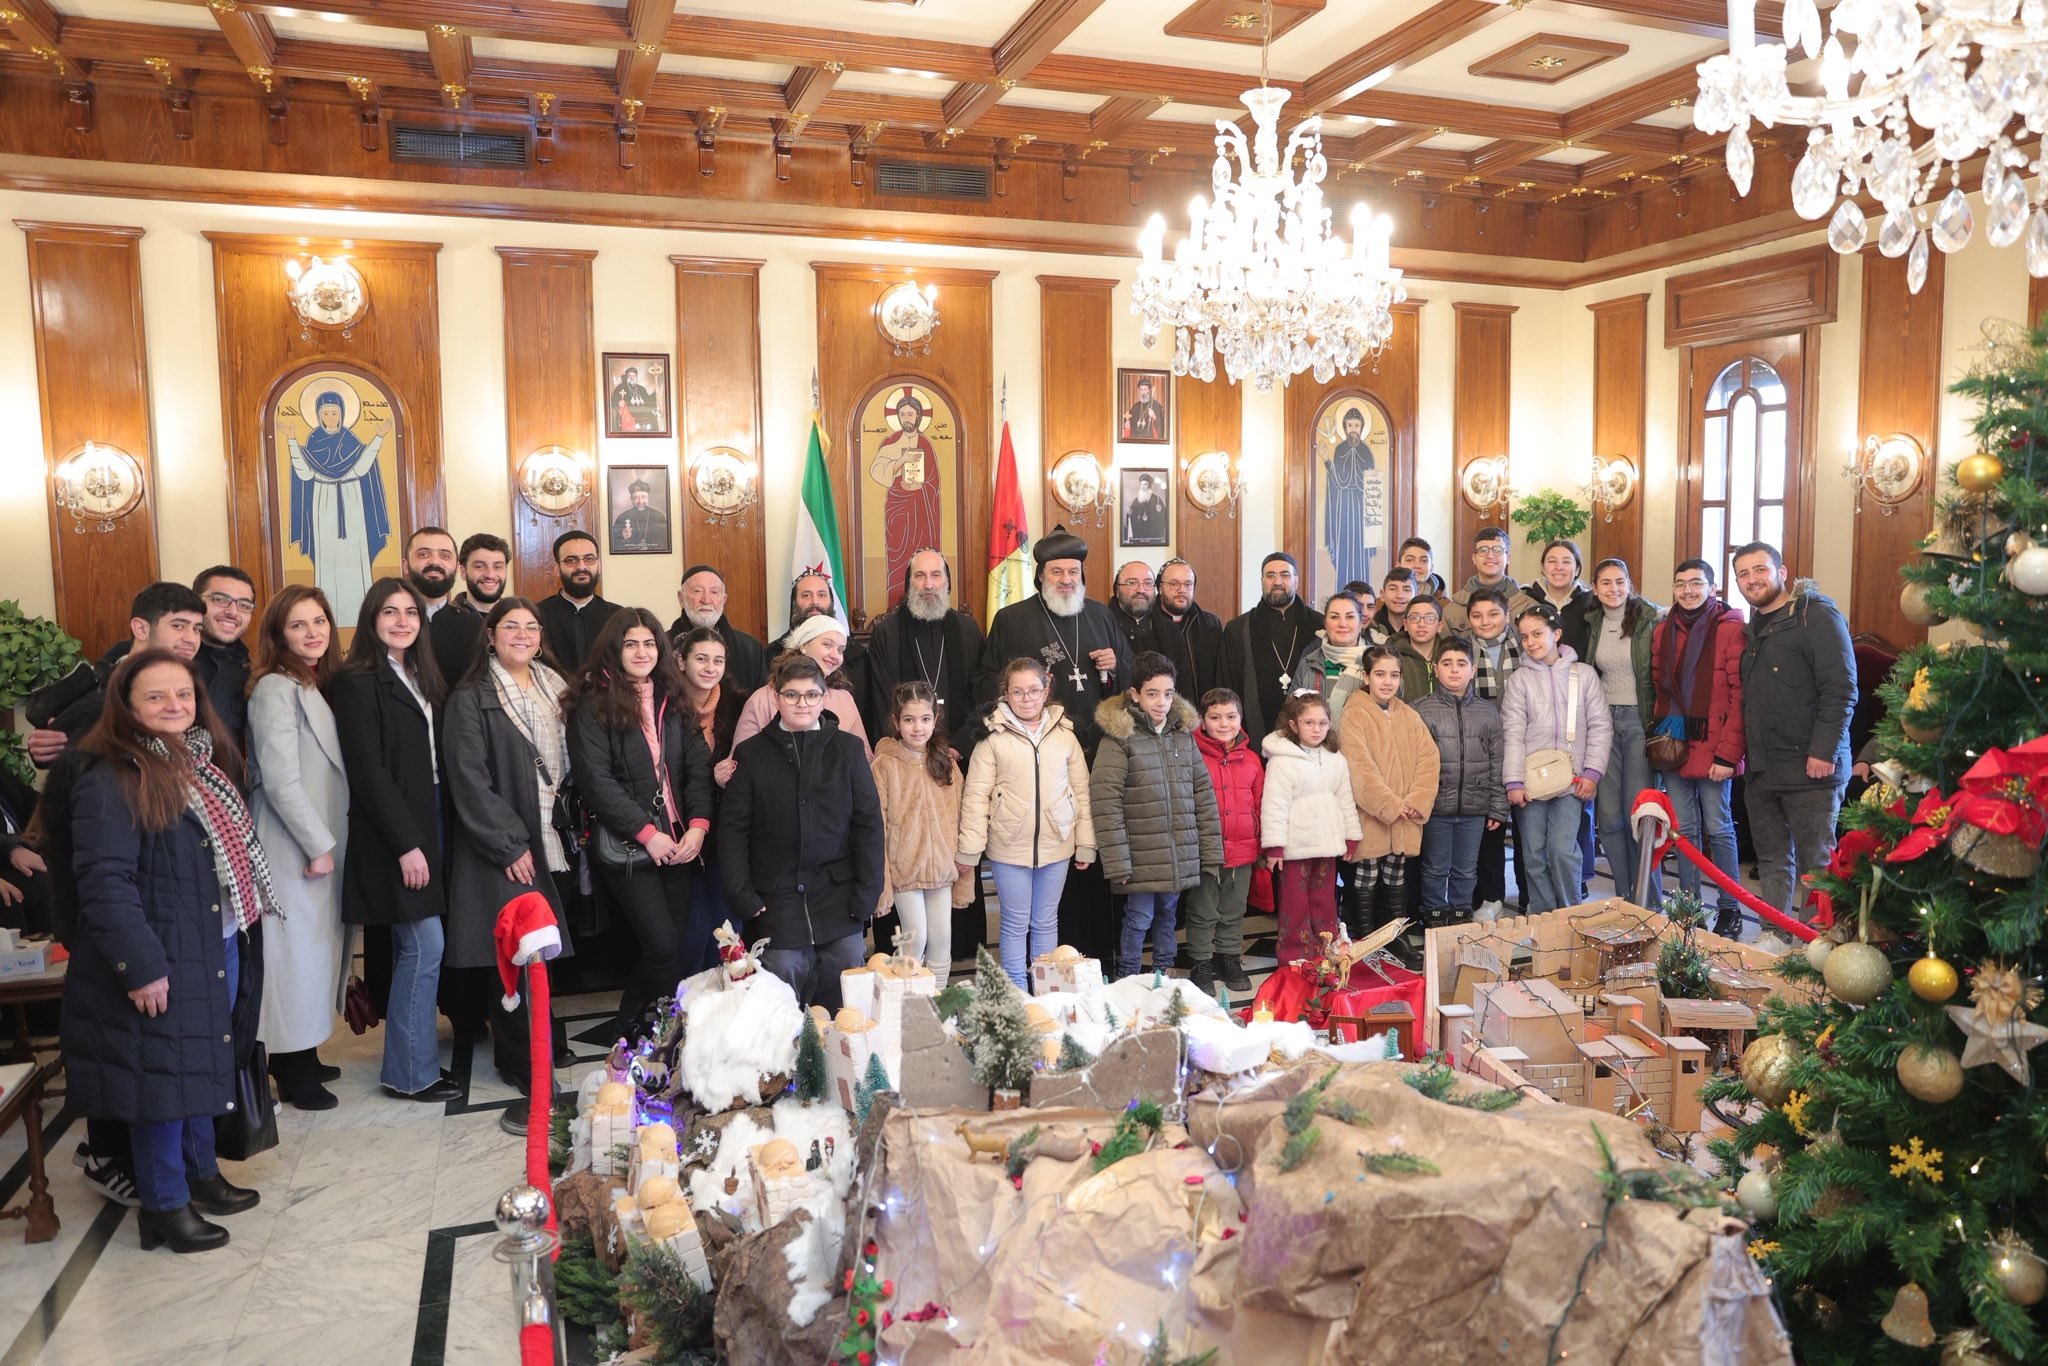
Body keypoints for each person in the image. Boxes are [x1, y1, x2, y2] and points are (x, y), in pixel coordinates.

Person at [66, 648, 271, 1252]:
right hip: (163, 953)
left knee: (202, 1064)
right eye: (155, 697)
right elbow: (104, 883)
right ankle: (163, 1204)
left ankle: (201, 1175)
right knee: (160, 1084)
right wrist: (143, 968)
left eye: (183, 695)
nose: (173, 707)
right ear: (127, 706)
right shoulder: (112, 776)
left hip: (217, 939)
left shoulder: (200, 763)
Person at [327, 577, 458, 1103]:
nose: (402, 620)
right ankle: (409, 1073)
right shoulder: (357, 681)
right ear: (370, 619)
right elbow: (369, 772)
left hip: (429, 818)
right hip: (393, 831)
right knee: (424, 946)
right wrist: (407, 843)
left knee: (422, 946)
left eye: (410, 612)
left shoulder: (418, 674)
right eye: (390, 612)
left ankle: (412, 1065)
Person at [444, 598, 576, 1115]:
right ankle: (520, 1060)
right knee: (519, 955)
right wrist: (507, 843)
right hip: (509, 841)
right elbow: (468, 779)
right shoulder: (472, 696)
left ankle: (537, 1046)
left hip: (553, 837)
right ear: (490, 636)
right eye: (510, 627)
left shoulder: (554, 684)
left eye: (530, 627)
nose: (522, 635)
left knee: (543, 947)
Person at [565, 610, 714, 1035]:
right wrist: (648, 834)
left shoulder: (673, 696)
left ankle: (633, 1017)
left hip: (682, 840)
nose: (642, 652)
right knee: (662, 944)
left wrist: (699, 826)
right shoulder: (591, 703)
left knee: (672, 946)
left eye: (649, 643)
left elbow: (698, 769)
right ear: (614, 648)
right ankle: (672, 1035)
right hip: (629, 844)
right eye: (631, 643)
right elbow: (596, 782)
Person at [720, 653, 885, 1008]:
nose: (802, 703)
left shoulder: (848, 749)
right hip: (777, 892)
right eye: (792, 695)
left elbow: (869, 824)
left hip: (837, 890)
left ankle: (834, 1053)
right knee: (783, 968)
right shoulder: (752, 754)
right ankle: (789, 1054)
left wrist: (867, 893)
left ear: (824, 697)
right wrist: (743, 895)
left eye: (811, 694)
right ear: (776, 698)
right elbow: (733, 830)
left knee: (845, 965)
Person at [245, 585, 349, 1111]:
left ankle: (303, 1049)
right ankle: (288, 1063)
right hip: (292, 842)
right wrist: (318, 845)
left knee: (314, 953)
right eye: (298, 625)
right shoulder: (273, 688)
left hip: (317, 838)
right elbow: (281, 779)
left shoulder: (312, 683)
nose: (313, 632)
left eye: (319, 622)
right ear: (278, 635)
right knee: (292, 958)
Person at [1734, 541, 1855, 930]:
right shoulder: (1750, 630)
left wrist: (1824, 750)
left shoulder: (1815, 614)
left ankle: (1817, 944)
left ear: (1782, 572)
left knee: (1816, 862)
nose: (1752, 579)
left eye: (1760, 570)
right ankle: (1775, 935)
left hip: (1812, 766)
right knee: (1770, 859)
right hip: (1763, 767)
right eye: (1743, 574)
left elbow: (1841, 689)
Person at [957, 658, 1095, 989]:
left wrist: (1086, 842)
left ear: (1046, 690)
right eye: (1017, 692)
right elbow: (976, 796)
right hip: (1008, 845)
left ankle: (1046, 991)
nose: (1026, 698)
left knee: (1046, 921)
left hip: (1057, 842)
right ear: (1006, 693)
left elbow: (1082, 792)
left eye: (1034, 690)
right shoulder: (992, 737)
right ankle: (1017, 991)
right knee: (1015, 923)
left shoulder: (1065, 735)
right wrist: (969, 848)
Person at [1090, 653, 1221, 982]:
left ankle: (1163, 976)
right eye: (1152, 694)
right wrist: (1118, 862)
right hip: (1141, 855)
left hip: (1178, 852)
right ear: (1135, 694)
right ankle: (1129, 979)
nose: (1161, 702)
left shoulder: (1182, 735)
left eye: (1168, 693)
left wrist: (1209, 851)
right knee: (1138, 918)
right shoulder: (1120, 738)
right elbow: (1106, 801)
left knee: (1168, 916)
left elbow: (1203, 794)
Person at [1653, 559, 1747, 938]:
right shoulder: (1662, 630)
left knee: (1719, 827)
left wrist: (1729, 753)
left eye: (1696, 583)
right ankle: (1690, 906)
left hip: (1716, 743)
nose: (1688, 590)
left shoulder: (1731, 627)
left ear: (1713, 587)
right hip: (1675, 738)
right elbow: (1660, 689)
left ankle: (1730, 907)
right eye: (1680, 584)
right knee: (1685, 829)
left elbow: (1739, 695)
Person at [977, 529, 1132, 754]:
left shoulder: (1101, 615)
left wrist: (1116, 665)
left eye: (1073, 572)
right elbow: (986, 678)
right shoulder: (1011, 619)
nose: (1066, 579)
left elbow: (1132, 668)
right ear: (1041, 576)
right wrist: (1022, 682)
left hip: (1100, 739)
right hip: (1038, 740)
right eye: (1057, 572)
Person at [1502, 604, 1611, 914]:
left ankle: (1568, 913)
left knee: (1563, 851)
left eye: (1538, 634)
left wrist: (1592, 773)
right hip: (1531, 780)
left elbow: (1600, 725)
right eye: (1524, 637)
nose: (1531, 642)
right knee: (1533, 853)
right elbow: (1512, 732)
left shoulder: (1584, 675)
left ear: (1557, 633)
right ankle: (1541, 915)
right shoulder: (1519, 680)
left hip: (1573, 780)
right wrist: (1513, 780)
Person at [26, 582, 209, 766]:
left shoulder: (192, 681)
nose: (191, 639)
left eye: (197, 629)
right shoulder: (104, 694)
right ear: (141, 629)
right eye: (178, 626)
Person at [1337, 646, 1438, 944]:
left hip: (1406, 815)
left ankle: (1396, 937)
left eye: (1394, 675)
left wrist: (1415, 801)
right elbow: (1359, 769)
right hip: (1372, 815)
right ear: (1366, 676)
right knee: (1367, 875)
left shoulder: (1407, 714)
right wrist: (1391, 805)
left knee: (1397, 873)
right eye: (1380, 674)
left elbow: (1428, 759)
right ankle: (1368, 939)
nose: (1387, 681)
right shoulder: (1354, 715)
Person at [871, 683, 965, 986]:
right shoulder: (884, 764)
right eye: (909, 719)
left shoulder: (945, 761)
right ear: (896, 722)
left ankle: (937, 1008)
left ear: (935, 720)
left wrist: (965, 869)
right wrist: (883, 879)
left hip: (941, 867)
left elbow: (959, 815)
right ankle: (907, 1005)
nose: (917, 727)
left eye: (925, 719)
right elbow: (878, 824)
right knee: (916, 937)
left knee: (942, 937)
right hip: (904, 869)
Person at [1414, 636, 1508, 929]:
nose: (1454, 670)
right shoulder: (1420, 709)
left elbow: (1497, 761)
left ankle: (1460, 913)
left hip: (1475, 807)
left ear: (1473, 668)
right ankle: (1433, 913)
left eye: (1461, 664)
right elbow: (1414, 762)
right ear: (1435, 668)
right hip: (1436, 807)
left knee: (1467, 869)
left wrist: (1497, 807)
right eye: (1447, 664)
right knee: (1435, 867)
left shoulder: (1487, 711)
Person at [1260, 694, 1362, 966]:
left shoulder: (1335, 759)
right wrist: (1274, 846)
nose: (1317, 729)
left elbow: (1345, 799)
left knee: (1324, 899)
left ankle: (1324, 948)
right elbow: (1274, 805)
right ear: (1294, 725)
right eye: (1309, 722)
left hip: (1327, 842)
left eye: (1323, 723)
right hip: (1295, 846)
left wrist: (1351, 837)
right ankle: (1294, 953)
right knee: (1295, 902)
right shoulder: (1282, 760)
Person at [1586, 558, 1664, 905]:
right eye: (1605, 582)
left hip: (1638, 720)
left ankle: (1650, 900)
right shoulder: (1593, 622)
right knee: (1609, 818)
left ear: (1630, 584)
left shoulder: (1649, 619)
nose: (1613, 589)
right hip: (1603, 721)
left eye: (1620, 581)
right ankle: (1624, 896)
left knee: (1639, 815)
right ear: (1594, 587)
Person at [288, 385, 390, 626]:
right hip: (323, 502)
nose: (330, 418)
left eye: (334, 413)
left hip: (352, 500)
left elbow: (361, 466)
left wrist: (378, 438)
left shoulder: (350, 440)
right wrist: (292, 441)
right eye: (325, 413)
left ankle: (362, 619)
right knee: (328, 556)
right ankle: (328, 618)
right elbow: (303, 474)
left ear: (342, 414)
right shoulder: (313, 441)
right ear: (318, 415)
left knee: (356, 554)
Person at [677, 626, 748, 973]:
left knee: (725, 923)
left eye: (718, 660)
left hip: (727, 829)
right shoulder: (664, 706)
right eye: (701, 658)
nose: (710, 667)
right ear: (681, 661)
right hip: (679, 826)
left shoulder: (739, 705)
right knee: (688, 927)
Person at [864, 550, 984, 746]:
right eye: (920, 575)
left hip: (959, 750)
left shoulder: (967, 629)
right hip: (905, 753)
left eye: (936, 575)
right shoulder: (887, 632)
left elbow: (980, 694)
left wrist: (961, 745)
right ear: (908, 583)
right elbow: (881, 702)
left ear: (947, 583)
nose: (928, 585)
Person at [1187, 688, 1263, 994]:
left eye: (1231, 717)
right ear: (1202, 721)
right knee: (1203, 911)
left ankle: (1229, 957)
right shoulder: (1193, 756)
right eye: (1215, 717)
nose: (1223, 723)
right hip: (1206, 850)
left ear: (1240, 719)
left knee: (1234, 909)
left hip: (1243, 848)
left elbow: (1259, 804)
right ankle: (1201, 962)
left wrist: (1263, 845)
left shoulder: (1253, 760)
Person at [1464, 585, 1525, 909]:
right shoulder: (1463, 650)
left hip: (1522, 744)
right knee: (1488, 824)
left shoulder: (1524, 646)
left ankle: (1529, 897)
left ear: (1507, 615)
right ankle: (1487, 897)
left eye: (1493, 614)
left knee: (1526, 830)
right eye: (1477, 616)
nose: (1485, 621)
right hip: (1480, 746)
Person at [1218, 551, 1321, 742]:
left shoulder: (1319, 626)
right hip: (1253, 734)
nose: (1277, 582)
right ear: (1262, 580)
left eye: (1285, 575)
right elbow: (1227, 687)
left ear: (1296, 580)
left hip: (1311, 734)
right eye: (1270, 575)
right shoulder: (1238, 628)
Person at [732, 615, 872, 755]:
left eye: (840, 650)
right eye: (827, 645)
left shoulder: (845, 699)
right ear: (804, 645)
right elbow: (741, 759)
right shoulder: (762, 699)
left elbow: (864, 756)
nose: (835, 655)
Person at [869, 392, 942, 608]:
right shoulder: (890, 441)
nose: (906, 418)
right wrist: (900, 461)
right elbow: (877, 471)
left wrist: (922, 487)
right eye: (902, 414)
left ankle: (925, 601)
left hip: (921, 507)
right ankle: (897, 600)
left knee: (920, 552)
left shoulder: (926, 444)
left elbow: (934, 481)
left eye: (910, 414)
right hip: (898, 507)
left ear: (918, 416)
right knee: (898, 556)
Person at [671, 565, 767, 697]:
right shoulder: (662, 645)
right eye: (698, 591)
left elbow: (761, 704)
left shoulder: (750, 648)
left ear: (724, 600)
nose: (706, 600)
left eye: (714, 592)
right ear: (681, 598)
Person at [431, 532, 510, 685]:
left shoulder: (520, 618)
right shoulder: (442, 620)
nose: (490, 574)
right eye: (480, 566)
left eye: (498, 566)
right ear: (462, 571)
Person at [537, 531, 623, 673]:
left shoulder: (618, 616)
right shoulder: (537, 616)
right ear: (557, 569)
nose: (581, 567)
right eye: (571, 560)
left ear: (599, 566)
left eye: (589, 559)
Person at [191, 566, 255, 742]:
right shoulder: (160, 659)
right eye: (219, 599)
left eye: (244, 605)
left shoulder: (254, 672)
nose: (233, 612)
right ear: (194, 602)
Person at [1293, 591, 1370, 729]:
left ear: (1360, 625)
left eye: (1350, 617)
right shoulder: (1309, 663)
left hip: (1363, 747)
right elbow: (1291, 712)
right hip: (1315, 747)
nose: (1342, 623)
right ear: (1325, 624)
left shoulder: (1376, 662)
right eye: (1334, 617)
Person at [1323, 406, 1380, 589]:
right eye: (1350, 425)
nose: (1353, 429)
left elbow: (1372, 487)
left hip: (1362, 510)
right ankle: (1342, 590)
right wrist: (1326, 460)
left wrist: (1373, 479)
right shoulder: (1339, 450)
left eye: (1356, 425)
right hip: (1344, 508)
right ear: (1345, 428)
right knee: (1344, 550)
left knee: (1360, 552)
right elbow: (1339, 482)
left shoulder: (1366, 452)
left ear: (1362, 428)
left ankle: (1363, 590)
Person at [1152, 559, 1223, 704]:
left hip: (1201, 714)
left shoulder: (1210, 624)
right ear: (1160, 587)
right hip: (1159, 713)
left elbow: (1220, 675)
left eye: (1188, 584)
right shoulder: (1147, 624)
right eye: (1174, 584)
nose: (1181, 590)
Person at [1444, 527, 1530, 633]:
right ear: (1474, 558)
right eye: (1483, 550)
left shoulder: (1528, 606)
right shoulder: (1452, 611)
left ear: (1508, 558)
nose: (1490, 556)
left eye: (1498, 550)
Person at [1533, 540, 1596, 657]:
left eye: (1566, 562)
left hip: (1580, 673)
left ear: (1577, 569)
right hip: (1535, 673)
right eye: (1552, 561)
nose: (1559, 567)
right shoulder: (1529, 599)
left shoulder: (1592, 602)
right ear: (1542, 567)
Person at [1393, 594, 1444, 701]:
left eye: (1429, 618)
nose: (1421, 624)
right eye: (1414, 618)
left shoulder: (1449, 657)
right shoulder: (1392, 657)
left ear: (1440, 626)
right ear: (1405, 624)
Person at [1108, 560, 1158, 657]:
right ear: (1117, 590)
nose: (1141, 590)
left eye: (1148, 583)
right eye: (1132, 583)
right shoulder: (1102, 625)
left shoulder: (1168, 628)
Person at [611, 478, 670, 552]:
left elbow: (667, 544)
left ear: (649, 498)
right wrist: (623, 538)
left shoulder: (659, 517)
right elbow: (614, 546)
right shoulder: (622, 518)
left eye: (643, 497)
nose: (640, 501)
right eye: (636, 497)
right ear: (631, 499)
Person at [1366, 566, 1416, 645]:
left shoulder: (1422, 627)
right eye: (1393, 589)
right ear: (1382, 594)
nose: (1400, 595)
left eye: (1407, 590)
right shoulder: (1370, 626)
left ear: (1417, 595)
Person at [1122, 476, 1167, 544]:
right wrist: (1130, 514)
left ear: (1149, 486)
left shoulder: (1157, 499)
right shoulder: (1136, 500)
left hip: (1153, 535)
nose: (1143, 487)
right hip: (1139, 534)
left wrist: (1160, 511)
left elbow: (1164, 516)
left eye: (1145, 484)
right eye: (1141, 484)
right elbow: (1131, 516)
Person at [1123, 377, 1165, 441]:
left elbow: (1161, 425)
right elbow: (1128, 418)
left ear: (1149, 390)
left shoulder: (1155, 404)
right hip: (1136, 439)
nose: (1143, 392)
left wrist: (1154, 416)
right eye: (1141, 389)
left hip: (1150, 439)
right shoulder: (1135, 406)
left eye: (1145, 389)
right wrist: (1127, 423)